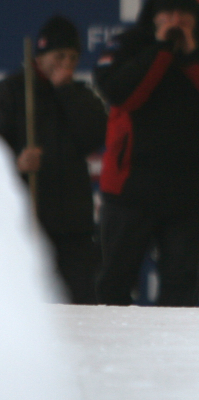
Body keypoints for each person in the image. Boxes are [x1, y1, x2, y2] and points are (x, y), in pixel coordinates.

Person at [94, 0, 199, 306]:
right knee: (113, 284)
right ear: (154, 16)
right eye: (168, 14)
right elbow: (121, 95)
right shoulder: (129, 44)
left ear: (196, 17)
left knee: (181, 289)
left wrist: (192, 57)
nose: (176, 21)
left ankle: (173, 356)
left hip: (187, 191)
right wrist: (162, 51)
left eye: (184, 14)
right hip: (129, 190)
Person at [0, 15, 107, 304]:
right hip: (29, 222)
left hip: (73, 225)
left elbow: (95, 135)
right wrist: (16, 165)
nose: (66, 64)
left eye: (73, 57)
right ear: (41, 55)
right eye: (59, 56)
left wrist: (65, 91)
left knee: (81, 303)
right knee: (29, 303)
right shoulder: (12, 91)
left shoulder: (79, 95)